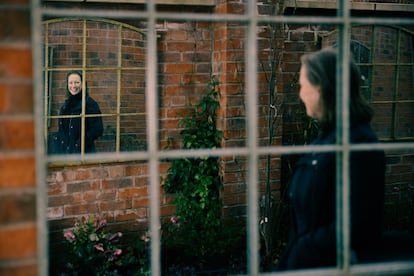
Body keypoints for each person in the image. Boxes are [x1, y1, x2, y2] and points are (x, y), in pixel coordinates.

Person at [275, 48, 385, 270]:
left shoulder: (358, 144)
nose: (300, 94)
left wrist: (302, 252)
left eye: (303, 86)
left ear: (322, 88)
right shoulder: (325, 140)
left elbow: (359, 225)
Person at [49, 71, 103, 154]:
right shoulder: (66, 105)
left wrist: (79, 144)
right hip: (65, 152)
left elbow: (97, 129)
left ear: (82, 84)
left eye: (77, 82)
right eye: (71, 83)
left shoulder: (89, 104)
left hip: (82, 153)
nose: (73, 86)